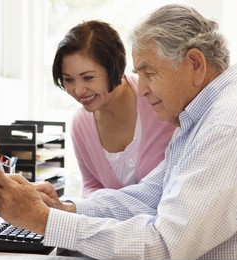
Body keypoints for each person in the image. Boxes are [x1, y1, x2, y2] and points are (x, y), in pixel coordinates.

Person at [0, 4, 237, 259]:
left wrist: (45, 221)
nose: (143, 87)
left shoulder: (229, 124)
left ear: (195, 64)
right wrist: (65, 209)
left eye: (150, 72)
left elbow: (164, 246)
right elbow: (150, 196)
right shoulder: (204, 118)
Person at [52, 20, 175, 198]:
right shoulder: (80, 124)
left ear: (114, 68)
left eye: (88, 78)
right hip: (114, 225)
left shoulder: (156, 100)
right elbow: (92, 187)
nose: (78, 91)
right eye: (69, 80)